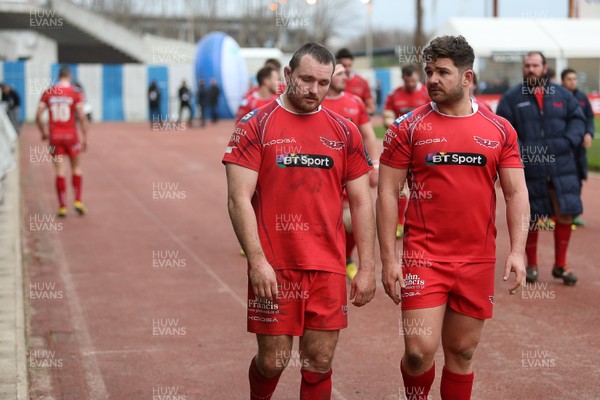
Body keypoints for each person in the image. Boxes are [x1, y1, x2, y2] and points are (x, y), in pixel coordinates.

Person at [377, 35, 528, 399]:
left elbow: (516, 192)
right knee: (418, 352)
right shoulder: (407, 127)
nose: (432, 79)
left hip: (476, 259)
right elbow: (386, 192)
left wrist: (518, 250)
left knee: (461, 352)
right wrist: (387, 258)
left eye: (442, 72)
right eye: (429, 71)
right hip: (423, 257)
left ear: (467, 78)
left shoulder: (499, 129)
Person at [223, 42, 376, 400]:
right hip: (276, 267)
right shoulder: (255, 125)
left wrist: (367, 266)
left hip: (328, 265)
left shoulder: (345, 131)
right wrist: (257, 261)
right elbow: (237, 198)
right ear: (287, 75)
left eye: (323, 83)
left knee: (319, 360)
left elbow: (361, 201)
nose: (315, 90)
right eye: (307, 80)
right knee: (273, 361)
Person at [497, 52, 586, 286]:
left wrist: (567, 142)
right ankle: (532, 265)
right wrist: (520, 152)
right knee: (532, 217)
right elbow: (503, 129)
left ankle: (560, 266)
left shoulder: (562, 95)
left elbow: (578, 120)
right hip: (530, 167)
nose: (531, 69)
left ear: (544, 68)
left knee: (565, 213)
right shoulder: (511, 98)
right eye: (527, 65)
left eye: (535, 65)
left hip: (562, 165)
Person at [321, 63, 380, 279]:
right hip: (322, 174)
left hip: (350, 173)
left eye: (346, 73)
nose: (345, 76)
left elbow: (369, 136)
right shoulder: (316, 102)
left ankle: (346, 258)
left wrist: (374, 165)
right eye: (339, 74)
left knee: (354, 220)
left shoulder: (355, 103)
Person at [383, 64, 431, 239]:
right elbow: (387, 117)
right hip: (401, 145)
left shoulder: (427, 93)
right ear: (403, 78)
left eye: (413, 79)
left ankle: (424, 221)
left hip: (424, 145)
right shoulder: (394, 95)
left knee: (425, 185)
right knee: (399, 188)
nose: (411, 83)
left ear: (417, 76)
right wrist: (397, 126)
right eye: (407, 80)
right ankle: (399, 224)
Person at [36, 66, 90, 217]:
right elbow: (82, 117)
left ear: (58, 76)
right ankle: (78, 200)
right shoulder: (75, 93)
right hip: (71, 136)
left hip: (55, 137)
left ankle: (62, 206)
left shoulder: (48, 92)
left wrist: (43, 133)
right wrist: (85, 138)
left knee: (60, 171)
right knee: (76, 168)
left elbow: (38, 115)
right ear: (69, 76)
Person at [561, 67, 595, 227]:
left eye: (574, 79)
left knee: (577, 179)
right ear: (563, 81)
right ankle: (552, 214)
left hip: (578, 148)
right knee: (559, 181)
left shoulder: (582, 98)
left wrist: (588, 133)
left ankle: (574, 214)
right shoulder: (556, 96)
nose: (572, 82)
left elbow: (589, 118)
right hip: (562, 148)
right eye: (569, 79)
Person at [335, 48, 376, 115]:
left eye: (349, 65)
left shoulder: (362, 82)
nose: (347, 69)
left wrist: (357, 111)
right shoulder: (331, 82)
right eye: (344, 66)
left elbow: (371, 108)